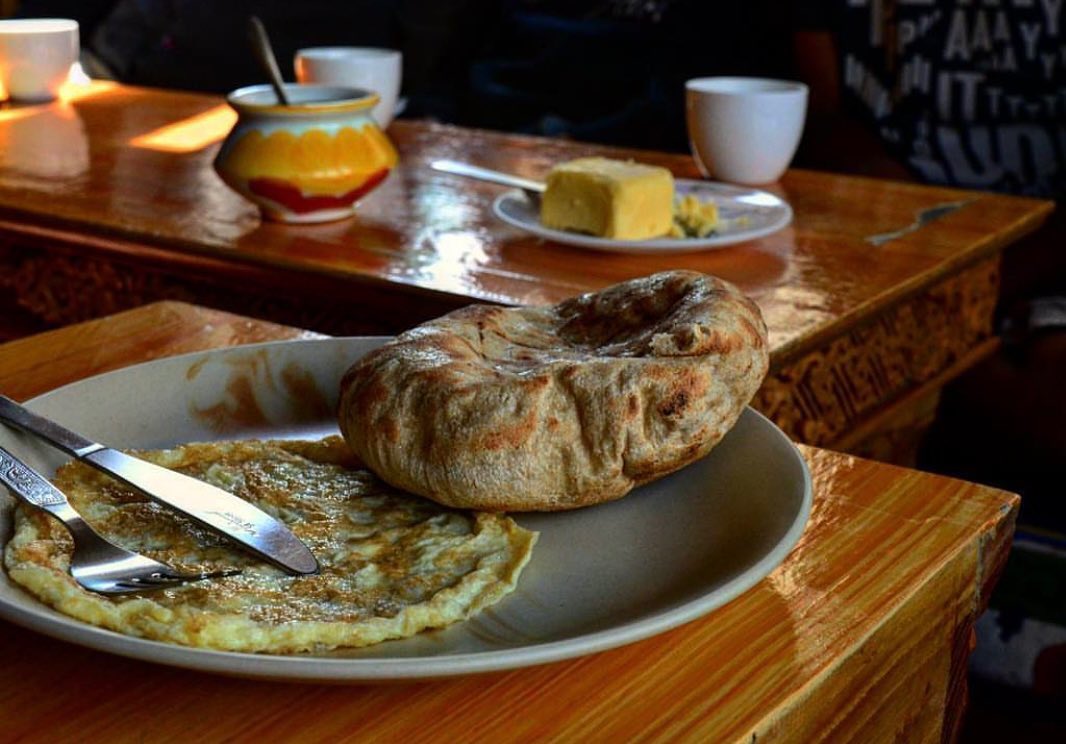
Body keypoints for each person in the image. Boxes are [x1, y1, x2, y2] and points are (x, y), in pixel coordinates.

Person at [790, 0, 1066, 714]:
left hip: (1040, 252)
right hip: (884, 238)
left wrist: (979, 281)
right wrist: (926, 266)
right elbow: (820, 117)